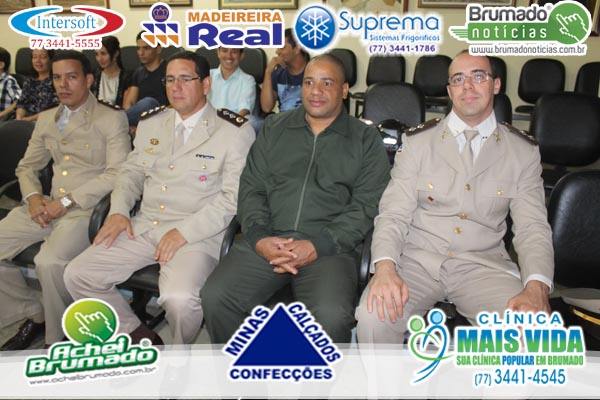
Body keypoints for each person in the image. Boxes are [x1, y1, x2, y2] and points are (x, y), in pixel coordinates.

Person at [355, 52, 554, 343]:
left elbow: (532, 228)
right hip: (416, 261)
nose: (468, 86)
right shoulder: (418, 142)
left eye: (478, 76)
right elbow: (393, 214)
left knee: (530, 333)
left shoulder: (522, 151)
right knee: (374, 316)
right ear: (449, 91)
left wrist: (537, 285)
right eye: (458, 79)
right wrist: (384, 267)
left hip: (483, 266)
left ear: (496, 85)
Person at [64, 51, 255, 345]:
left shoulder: (233, 131)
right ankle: (138, 336)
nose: (175, 87)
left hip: (197, 234)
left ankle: (178, 354)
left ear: (206, 84)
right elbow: (131, 173)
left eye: (185, 79)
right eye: (169, 80)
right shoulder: (152, 123)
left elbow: (232, 199)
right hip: (146, 224)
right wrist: (119, 211)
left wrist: (183, 232)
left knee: (180, 299)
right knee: (77, 274)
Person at [201, 54, 390, 344]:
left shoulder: (365, 138)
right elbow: (252, 188)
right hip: (268, 240)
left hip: (330, 249)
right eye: (309, 83)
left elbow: (366, 205)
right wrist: (260, 237)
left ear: (344, 90)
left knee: (330, 316)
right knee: (216, 297)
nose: (316, 91)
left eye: (327, 83)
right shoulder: (275, 128)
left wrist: (318, 245)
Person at [0, 50, 131, 351]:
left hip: (85, 210)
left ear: (88, 80)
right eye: (57, 78)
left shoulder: (111, 118)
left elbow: (117, 173)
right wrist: (34, 198)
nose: (63, 84)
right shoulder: (48, 118)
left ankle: (56, 338)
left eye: (71, 77)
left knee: (48, 262)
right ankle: (33, 311)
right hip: (46, 206)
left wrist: (67, 202)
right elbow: (27, 167)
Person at [123, 31, 169, 128]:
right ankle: (119, 122)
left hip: (163, 116)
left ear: (158, 49)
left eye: (146, 48)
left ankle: (116, 122)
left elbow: (175, 103)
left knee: (149, 102)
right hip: (141, 119)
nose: (141, 53)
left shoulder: (169, 70)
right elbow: (130, 102)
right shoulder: (138, 73)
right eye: (138, 48)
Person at [260, 28, 308, 114]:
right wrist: (268, 72)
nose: (277, 52)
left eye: (282, 47)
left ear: (297, 49)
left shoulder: (314, 73)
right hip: (283, 120)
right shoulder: (278, 73)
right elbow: (266, 108)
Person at [209, 47, 255, 117]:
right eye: (224, 51)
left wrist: (228, 123)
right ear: (218, 53)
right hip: (207, 121)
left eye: (234, 52)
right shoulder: (207, 76)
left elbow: (244, 109)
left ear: (241, 55)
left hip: (233, 121)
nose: (229, 56)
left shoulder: (247, 80)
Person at [16, 49, 58, 122]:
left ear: (51, 60)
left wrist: (29, 119)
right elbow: (22, 104)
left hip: (46, 122)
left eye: (43, 57)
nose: (38, 61)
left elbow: (55, 109)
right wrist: (19, 118)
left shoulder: (56, 81)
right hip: (24, 122)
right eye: (34, 57)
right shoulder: (29, 81)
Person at [92, 36, 132, 108]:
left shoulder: (127, 77)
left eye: (103, 53)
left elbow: (126, 108)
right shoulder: (93, 76)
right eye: (97, 54)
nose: (99, 58)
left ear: (116, 53)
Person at [0, 47, 21, 120]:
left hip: (3, 122)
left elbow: (20, 102)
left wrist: (1, 114)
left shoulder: (8, 81)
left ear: (1, 65)